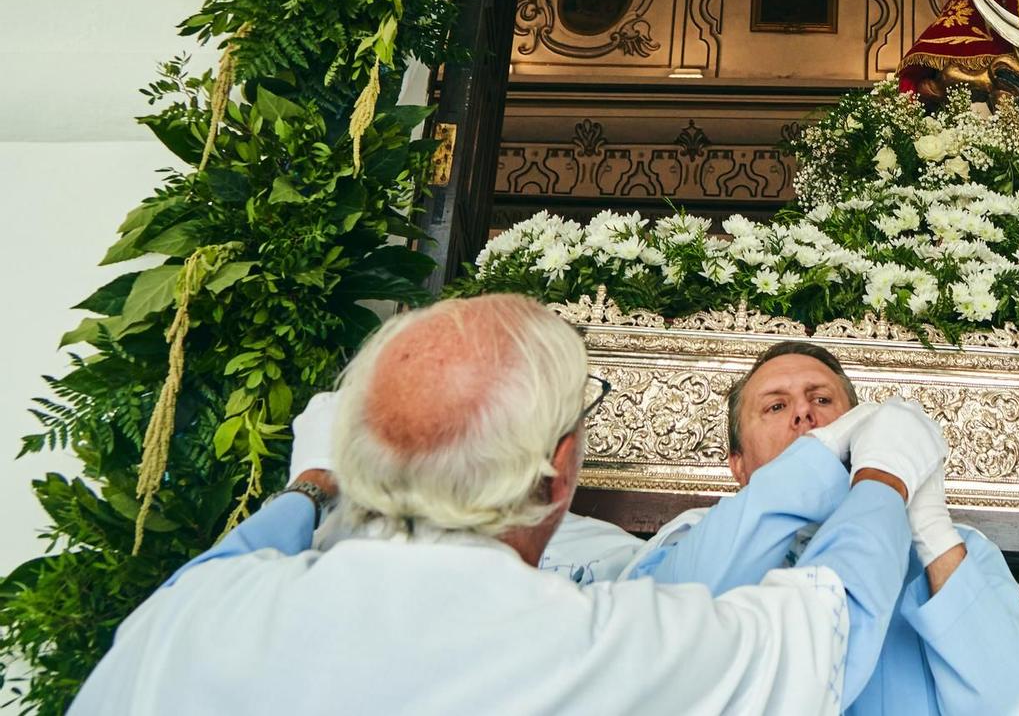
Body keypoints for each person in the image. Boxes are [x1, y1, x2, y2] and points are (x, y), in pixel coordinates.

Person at [73, 295, 921, 715]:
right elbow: (832, 624)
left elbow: (215, 571)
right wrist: (883, 473)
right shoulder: (597, 647)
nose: (805, 417)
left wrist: (311, 491)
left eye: (822, 404)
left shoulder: (196, 615)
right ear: (557, 476)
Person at [544, 338, 1019, 716]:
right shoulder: (694, 535)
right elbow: (654, 656)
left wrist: (932, 533)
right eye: (776, 406)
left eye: (823, 401)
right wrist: (815, 470)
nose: (804, 414)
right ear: (738, 465)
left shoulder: (960, 552)